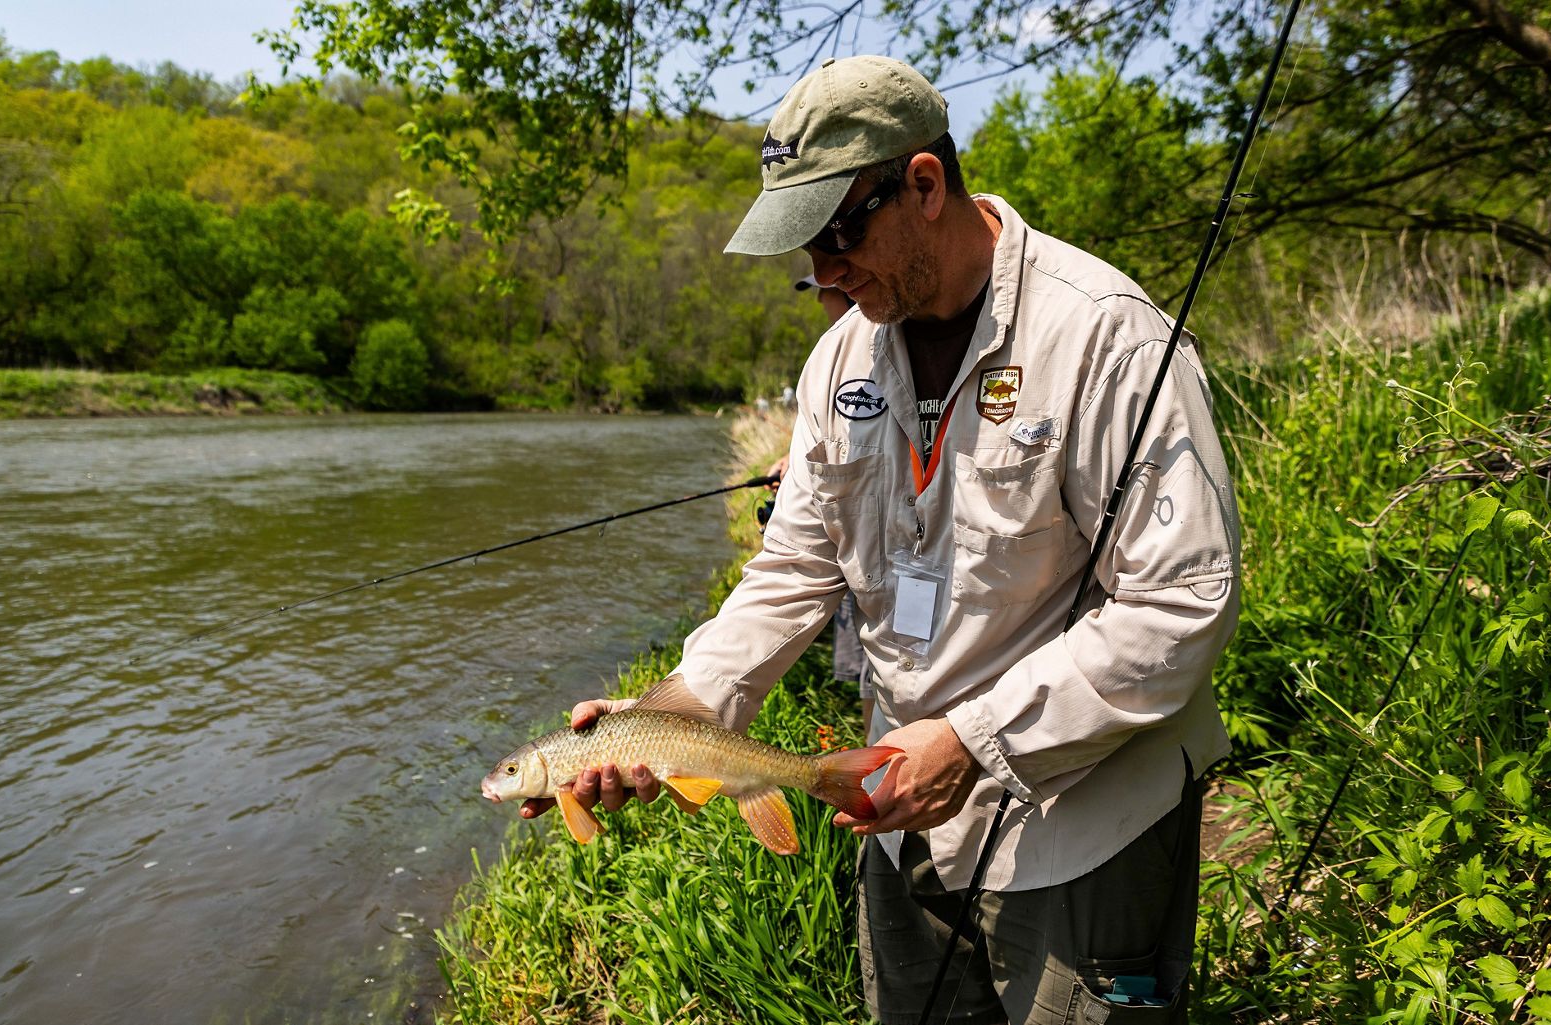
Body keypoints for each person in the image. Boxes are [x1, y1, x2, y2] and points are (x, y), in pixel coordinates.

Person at [519, 54, 1241, 1025]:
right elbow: (793, 565)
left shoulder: (1108, 340)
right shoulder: (837, 362)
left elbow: (1180, 603)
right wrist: (672, 711)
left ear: (925, 185)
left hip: (1083, 829)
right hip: (895, 820)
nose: (823, 271)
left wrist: (974, 741)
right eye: (804, 245)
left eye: (838, 232)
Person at [770, 275, 874, 725]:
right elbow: (793, 563)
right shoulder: (828, 361)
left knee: (869, 675)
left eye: (825, 290)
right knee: (868, 677)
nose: (819, 295)